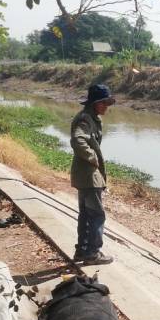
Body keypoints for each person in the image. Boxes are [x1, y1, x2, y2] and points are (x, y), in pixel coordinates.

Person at [70, 84, 116, 266]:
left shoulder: (91, 118)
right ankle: (92, 253)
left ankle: (83, 251)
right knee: (96, 215)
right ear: (95, 103)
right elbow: (77, 140)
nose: (106, 106)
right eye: (103, 103)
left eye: (107, 103)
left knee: (86, 215)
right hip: (89, 176)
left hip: (86, 176)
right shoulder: (85, 120)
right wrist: (93, 157)